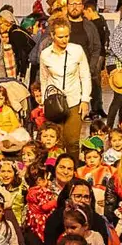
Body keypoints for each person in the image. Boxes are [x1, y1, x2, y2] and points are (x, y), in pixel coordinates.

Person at [40, 17, 91, 153]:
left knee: (73, 142)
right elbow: (44, 79)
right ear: (52, 36)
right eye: (60, 36)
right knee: (56, 142)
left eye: (67, 36)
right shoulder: (45, 55)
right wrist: (44, 102)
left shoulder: (77, 50)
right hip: (54, 103)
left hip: (74, 100)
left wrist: (85, 99)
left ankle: (73, 171)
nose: (64, 40)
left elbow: (85, 76)